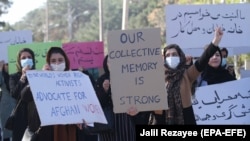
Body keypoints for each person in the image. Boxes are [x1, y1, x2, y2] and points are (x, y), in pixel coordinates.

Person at [153, 27, 224, 125]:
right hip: (161, 120)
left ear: (180, 56)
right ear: (164, 59)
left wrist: (215, 41)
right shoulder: (156, 77)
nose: (171, 57)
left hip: (185, 120)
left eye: (174, 54)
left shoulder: (186, 74)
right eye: (168, 55)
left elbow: (202, 61)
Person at [96, 55, 151, 141]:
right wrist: (104, 91)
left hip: (126, 120)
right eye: (109, 62)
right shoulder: (102, 80)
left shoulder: (130, 77)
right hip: (108, 122)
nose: (112, 64)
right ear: (106, 64)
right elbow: (97, 103)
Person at [42, 46, 83, 141]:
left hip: (71, 126)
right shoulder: (43, 79)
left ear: (66, 61)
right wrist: (43, 77)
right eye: (53, 61)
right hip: (51, 128)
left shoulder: (74, 79)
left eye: (60, 60)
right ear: (48, 63)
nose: (57, 63)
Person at [9, 48, 36, 141]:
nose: (26, 60)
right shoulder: (14, 77)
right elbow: (14, 94)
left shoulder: (38, 75)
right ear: (19, 61)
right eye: (23, 58)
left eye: (29, 57)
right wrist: (23, 77)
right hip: (20, 117)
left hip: (35, 117)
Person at [0, 62, 16, 141]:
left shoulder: (16, 76)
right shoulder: (2, 75)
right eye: (6, 64)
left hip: (17, 107)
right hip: (6, 108)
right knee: (6, 131)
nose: (8, 66)